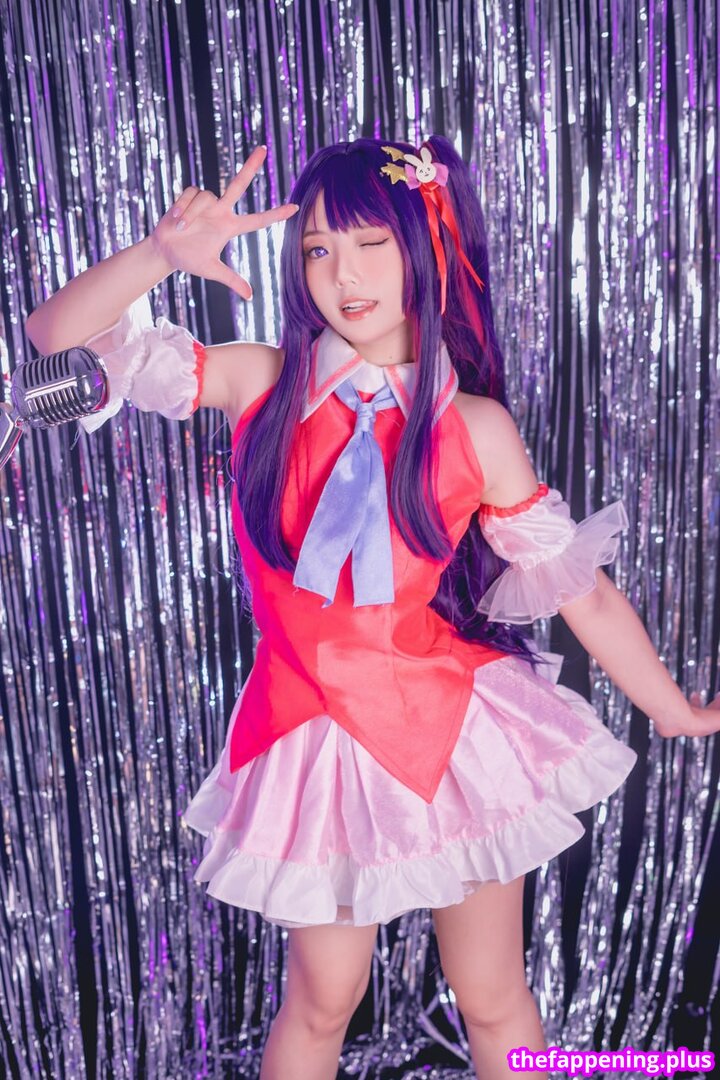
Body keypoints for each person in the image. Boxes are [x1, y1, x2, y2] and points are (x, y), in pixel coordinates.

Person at [25, 137, 720, 1080]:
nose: (342, 275)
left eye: (369, 245)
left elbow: (581, 592)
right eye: (317, 250)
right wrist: (160, 255)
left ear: (424, 248)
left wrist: (673, 709)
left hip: (452, 729)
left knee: (492, 995)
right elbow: (55, 338)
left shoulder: (474, 427)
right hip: (306, 730)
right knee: (321, 1000)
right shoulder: (259, 384)